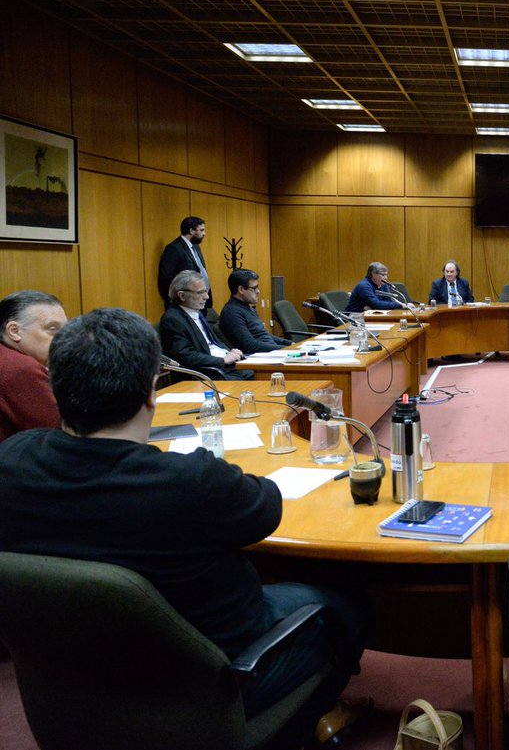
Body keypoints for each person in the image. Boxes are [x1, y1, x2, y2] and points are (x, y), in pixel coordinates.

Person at [0, 308, 372, 749]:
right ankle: (294, 729)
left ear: (56, 391)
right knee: (346, 603)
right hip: (212, 679)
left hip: (71, 682)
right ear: (151, 392)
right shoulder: (190, 482)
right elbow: (267, 507)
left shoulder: (12, 461)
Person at [160, 270, 253, 380]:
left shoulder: (196, 312)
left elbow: (214, 343)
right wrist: (223, 360)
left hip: (225, 366)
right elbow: (186, 356)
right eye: (200, 293)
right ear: (182, 296)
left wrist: (230, 352)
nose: (206, 297)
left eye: (206, 291)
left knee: (259, 372)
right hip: (208, 373)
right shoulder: (173, 320)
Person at [0, 290, 66, 442]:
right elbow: (59, 435)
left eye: (65, 330)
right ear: (14, 331)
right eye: (53, 329)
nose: (64, 338)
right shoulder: (19, 368)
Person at [219, 269, 291, 354]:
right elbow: (251, 346)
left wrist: (290, 344)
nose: (258, 291)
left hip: (271, 353)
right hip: (259, 358)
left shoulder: (248, 308)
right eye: (254, 288)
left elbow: (264, 335)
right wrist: (285, 350)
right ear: (241, 289)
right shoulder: (231, 312)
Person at [156, 215, 212, 310]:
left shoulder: (196, 247)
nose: (204, 233)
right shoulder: (174, 249)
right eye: (201, 230)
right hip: (184, 304)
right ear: (191, 231)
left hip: (201, 300)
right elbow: (167, 278)